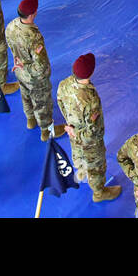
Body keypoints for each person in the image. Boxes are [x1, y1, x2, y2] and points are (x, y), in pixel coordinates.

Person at [56, 53, 123, 203]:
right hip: (89, 142)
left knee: (78, 155)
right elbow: (94, 131)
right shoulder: (90, 100)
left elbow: (60, 102)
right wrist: (78, 133)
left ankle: (82, 172)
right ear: (91, 72)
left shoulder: (64, 84)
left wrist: (71, 127)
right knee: (96, 165)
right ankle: (99, 192)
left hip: (72, 133)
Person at [6, 0, 65, 140]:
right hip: (34, 78)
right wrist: (36, 71)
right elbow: (40, 67)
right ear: (33, 14)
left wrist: (20, 64)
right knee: (42, 102)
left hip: (19, 71)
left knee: (25, 95)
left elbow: (10, 45)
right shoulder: (33, 36)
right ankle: (47, 131)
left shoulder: (12, 25)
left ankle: (30, 120)